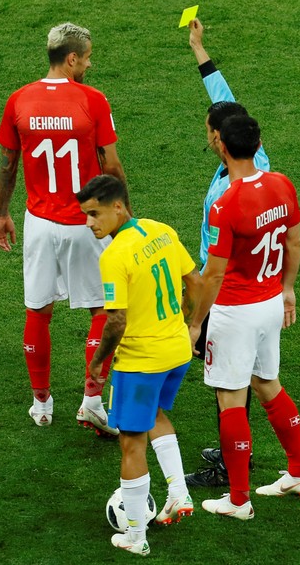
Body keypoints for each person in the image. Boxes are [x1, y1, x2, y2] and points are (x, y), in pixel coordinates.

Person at [0, 22, 128, 436]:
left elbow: (8, 165)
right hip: (85, 223)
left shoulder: (18, 100)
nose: (90, 63)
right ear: (72, 59)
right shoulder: (92, 100)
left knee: (38, 310)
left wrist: (2, 213)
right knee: (102, 311)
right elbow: (111, 165)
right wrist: (124, 216)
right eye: (87, 57)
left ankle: (41, 403)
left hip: (39, 224)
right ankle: (91, 400)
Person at [186, 114, 300, 521]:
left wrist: (193, 322)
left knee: (230, 398)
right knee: (267, 385)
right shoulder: (282, 184)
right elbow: (293, 242)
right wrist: (288, 290)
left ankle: (238, 500)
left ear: (222, 145)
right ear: (257, 142)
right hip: (270, 303)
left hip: (235, 311)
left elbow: (214, 273)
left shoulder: (227, 204)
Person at [77, 174, 201, 556]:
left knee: (131, 442)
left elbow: (115, 320)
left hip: (141, 360)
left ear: (119, 206)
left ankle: (135, 535)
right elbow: (194, 281)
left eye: (95, 214)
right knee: (157, 414)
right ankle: (179, 494)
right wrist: (185, 321)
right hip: (176, 350)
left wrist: (98, 363)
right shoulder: (160, 230)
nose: (90, 223)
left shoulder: (114, 256)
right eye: (85, 215)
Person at [183, 18, 271, 488]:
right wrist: (200, 50)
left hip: (228, 288)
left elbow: (221, 258)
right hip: (254, 286)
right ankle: (236, 449)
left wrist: (200, 310)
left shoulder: (232, 194)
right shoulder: (254, 156)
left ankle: (231, 466)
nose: (208, 134)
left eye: (209, 131)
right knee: (238, 378)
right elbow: (224, 102)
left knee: (226, 379)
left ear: (221, 139)